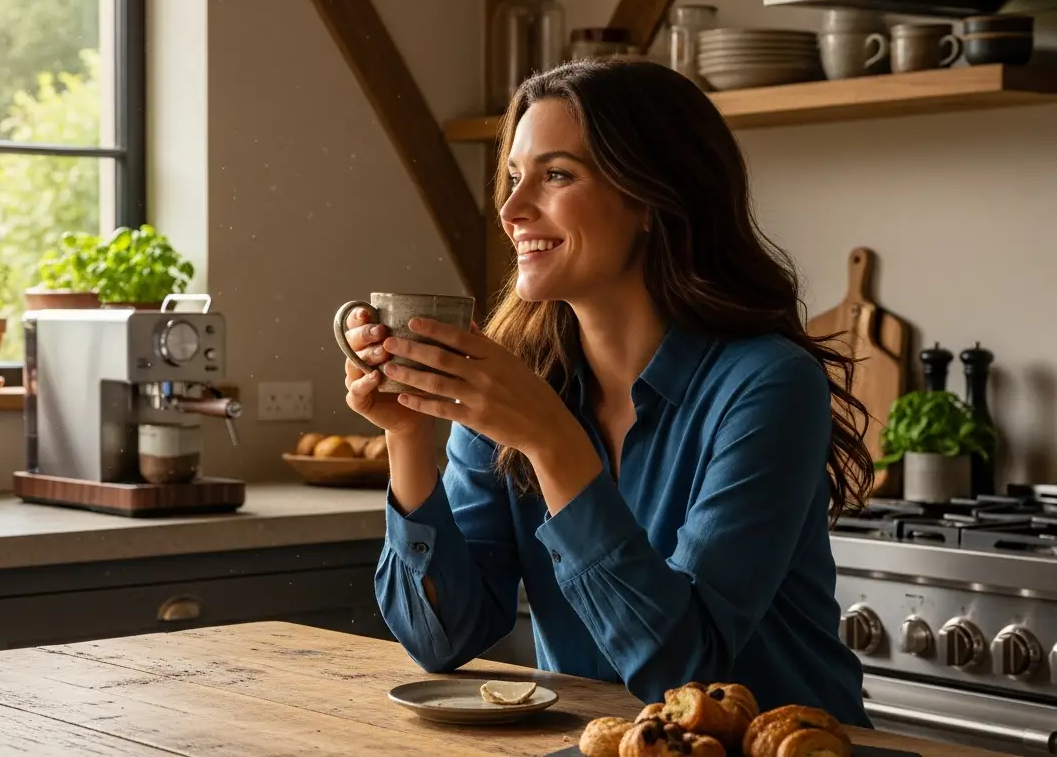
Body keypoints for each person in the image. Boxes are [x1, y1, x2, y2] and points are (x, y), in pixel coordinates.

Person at [339, 58, 872, 727]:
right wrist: (408, 434)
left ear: (652, 198)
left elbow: (684, 676)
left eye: (556, 175)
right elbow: (442, 641)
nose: (511, 210)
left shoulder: (767, 385)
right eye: (512, 178)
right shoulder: (516, 380)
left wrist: (551, 441)